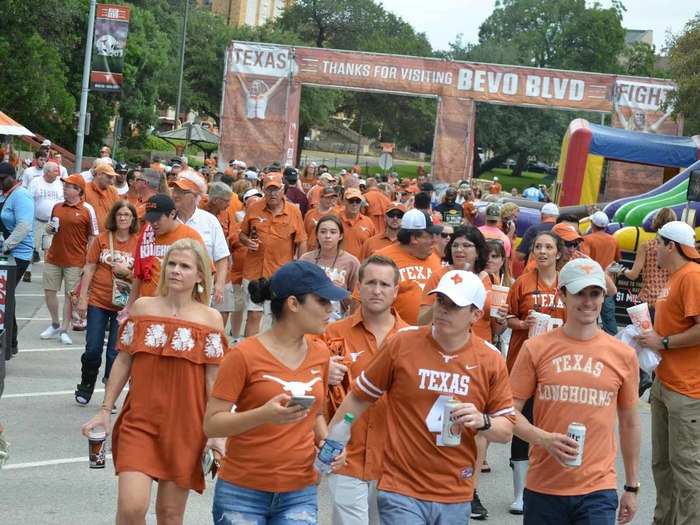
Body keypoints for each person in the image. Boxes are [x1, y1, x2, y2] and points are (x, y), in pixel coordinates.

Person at [328, 270, 515, 524]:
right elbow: (360, 397)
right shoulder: (402, 343)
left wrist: (482, 420)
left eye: (454, 305)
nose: (443, 310)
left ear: (476, 314)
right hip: (400, 488)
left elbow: (505, 432)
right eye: (440, 301)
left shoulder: (490, 359)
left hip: (455, 491)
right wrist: (330, 443)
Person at [81, 239, 228, 524]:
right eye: (171, 264)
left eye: (185, 266)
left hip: (187, 426)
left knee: (170, 515)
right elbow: (123, 360)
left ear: (200, 276)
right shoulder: (143, 308)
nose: (175, 270)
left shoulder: (211, 319)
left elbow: (214, 380)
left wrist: (217, 430)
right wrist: (104, 410)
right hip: (140, 420)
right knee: (131, 508)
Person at [203, 261, 348, 524]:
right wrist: (263, 414)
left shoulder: (321, 353)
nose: (330, 309)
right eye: (322, 301)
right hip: (242, 490)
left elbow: (314, 413)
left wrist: (326, 443)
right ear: (293, 304)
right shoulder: (243, 355)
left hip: (299, 490)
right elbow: (212, 424)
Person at [510, 258, 640, 525]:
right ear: (562, 295)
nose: (588, 302)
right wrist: (543, 438)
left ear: (604, 297)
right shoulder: (536, 348)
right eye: (579, 293)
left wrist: (631, 486)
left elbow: (629, 423)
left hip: (597, 490)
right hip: (544, 487)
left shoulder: (623, 354)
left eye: (595, 293)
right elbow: (508, 411)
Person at [324, 255, 407, 525]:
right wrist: (323, 374)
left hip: (396, 461)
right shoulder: (332, 333)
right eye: (370, 282)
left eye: (385, 284)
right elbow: (304, 383)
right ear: (358, 286)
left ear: (396, 291)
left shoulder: (413, 339)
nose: (377, 290)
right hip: (347, 455)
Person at [635, 221, 700, 525]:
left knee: (686, 469)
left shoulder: (692, 276)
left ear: (671, 245)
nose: (654, 249)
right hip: (667, 383)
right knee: (663, 464)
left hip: (688, 390)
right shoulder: (675, 278)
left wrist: (662, 341)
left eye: (657, 244)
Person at [504, 230, 567, 514]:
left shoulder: (568, 283)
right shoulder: (522, 283)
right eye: (538, 246)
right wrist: (521, 323)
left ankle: (549, 487)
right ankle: (520, 494)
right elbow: (505, 317)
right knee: (522, 424)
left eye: (548, 247)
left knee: (554, 424)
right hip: (524, 362)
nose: (542, 251)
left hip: (558, 366)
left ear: (558, 253)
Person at [74, 201, 139, 406]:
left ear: (133, 219)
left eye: (127, 215)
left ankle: (109, 397)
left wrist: (126, 272)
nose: (123, 218)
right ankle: (86, 383)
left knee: (115, 352)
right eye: (120, 214)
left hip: (123, 305)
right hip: (98, 301)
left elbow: (141, 275)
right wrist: (83, 299)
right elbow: (90, 268)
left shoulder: (138, 243)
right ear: (114, 216)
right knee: (93, 348)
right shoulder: (102, 239)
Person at [239, 172, 307, 336]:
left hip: (280, 274)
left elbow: (301, 241)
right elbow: (241, 234)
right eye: (269, 190)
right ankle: (250, 355)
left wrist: (299, 268)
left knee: (277, 316)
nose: (272, 194)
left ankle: (271, 355)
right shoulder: (254, 207)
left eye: (276, 189)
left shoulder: (293, 212)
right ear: (263, 190)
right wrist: (247, 241)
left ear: (283, 189)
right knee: (253, 314)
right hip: (254, 272)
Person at [41, 174, 99, 346]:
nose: (64, 188)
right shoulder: (57, 206)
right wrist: (49, 229)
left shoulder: (87, 209)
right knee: (49, 291)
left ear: (78, 190)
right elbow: (51, 229)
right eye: (64, 186)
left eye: (68, 186)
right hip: (54, 257)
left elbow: (93, 237)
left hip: (76, 260)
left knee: (69, 296)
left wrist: (88, 261)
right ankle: (55, 324)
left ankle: (64, 330)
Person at [128, 194, 205, 304]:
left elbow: (204, 275)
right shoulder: (147, 232)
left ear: (172, 214)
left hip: (178, 307)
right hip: (148, 305)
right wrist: (129, 306)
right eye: (150, 219)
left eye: (158, 219)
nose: (153, 223)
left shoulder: (190, 236)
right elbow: (138, 274)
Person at [170, 170, 230, 305]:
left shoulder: (210, 221)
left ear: (196, 196)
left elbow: (221, 258)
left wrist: (219, 285)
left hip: (200, 293)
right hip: (169, 292)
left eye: (182, 192)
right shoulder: (166, 220)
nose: (175, 195)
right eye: (174, 190)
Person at [375, 209, 443, 325]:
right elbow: (361, 300)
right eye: (430, 236)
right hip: (394, 336)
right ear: (414, 238)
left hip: (430, 336)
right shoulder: (382, 259)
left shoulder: (435, 258)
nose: (434, 241)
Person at [0, 162, 34, 356]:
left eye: (2, 179)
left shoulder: (21, 195)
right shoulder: (7, 194)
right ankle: (9, 342)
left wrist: (5, 245)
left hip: (19, 255)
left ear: (13, 177)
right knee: (5, 297)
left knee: (6, 297)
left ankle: (10, 342)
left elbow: (23, 226)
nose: (0, 182)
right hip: (10, 252)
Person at [300, 215, 360, 321]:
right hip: (308, 318)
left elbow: (357, 300)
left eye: (333, 232)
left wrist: (340, 292)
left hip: (337, 320)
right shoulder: (306, 259)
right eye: (323, 232)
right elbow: (297, 291)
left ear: (340, 236)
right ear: (317, 235)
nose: (327, 236)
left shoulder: (352, 262)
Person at [582, 211, 621, 336]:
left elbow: (584, 261)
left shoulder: (587, 240)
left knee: (586, 318)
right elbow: (616, 260)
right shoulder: (614, 240)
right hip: (608, 285)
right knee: (609, 321)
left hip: (590, 284)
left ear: (592, 224)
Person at [26, 160, 64, 283]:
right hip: (36, 220)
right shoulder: (36, 182)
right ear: (47, 172)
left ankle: (47, 275)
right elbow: (28, 200)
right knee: (32, 247)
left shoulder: (59, 183)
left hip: (52, 222)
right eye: (55, 171)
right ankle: (28, 270)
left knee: (49, 249)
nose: (57, 174)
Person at [515, 203, 559, 269]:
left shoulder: (533, 229)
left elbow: (520, 255)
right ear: (557, 217)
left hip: (533, 271)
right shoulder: (562, 231)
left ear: (542, 215)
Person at [339, 188, 376, 260]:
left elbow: (372, 247)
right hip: (338, 267)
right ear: (344, 201)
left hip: (360, 266)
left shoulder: (368, 222)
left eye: (358, 201)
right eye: (351, 201)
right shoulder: (335, 219)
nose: (354, 204)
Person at [85, 163, 119, 232]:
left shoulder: (113, 191)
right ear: (99, 174)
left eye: (112, 178)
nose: (111, 182)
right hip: (89, 237)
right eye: (109, 177)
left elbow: (118, 211)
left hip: (109, 236)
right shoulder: (84, 189)